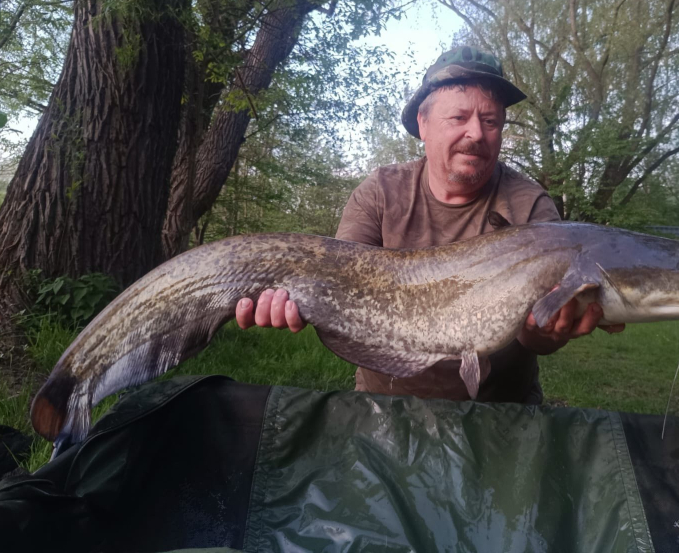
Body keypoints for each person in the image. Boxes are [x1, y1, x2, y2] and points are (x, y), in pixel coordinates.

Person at [236, 45, 624, 404]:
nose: (476, 133)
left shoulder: (530, 205)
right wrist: (289, 298)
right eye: (459, 117)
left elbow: (537, 339)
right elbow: (339, 280)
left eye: (490, 121)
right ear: (423, 123)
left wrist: (546, 332)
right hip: (387, 405)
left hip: (502, 414)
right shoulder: (380, 192)